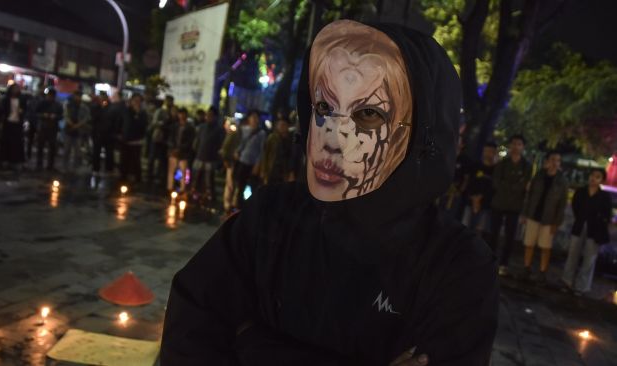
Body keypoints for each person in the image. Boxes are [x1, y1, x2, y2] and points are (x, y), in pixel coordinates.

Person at [161, 20, 498, 365]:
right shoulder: (269, 215)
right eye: (323, 108)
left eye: (368, 114)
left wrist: (255, 344)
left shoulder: (456, 267)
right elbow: (190, 329)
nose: (332, 138)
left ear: (421, 136)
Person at [517, 151, 568, 284]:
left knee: (545, 247)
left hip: (549, 219)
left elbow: (562, 203)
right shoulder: (539, 176)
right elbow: (530, 196)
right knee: (529, 244)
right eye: (552, 159)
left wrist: (556, 223)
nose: (554, 162)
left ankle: (542, 272)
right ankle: (526, 268)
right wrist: (524, 213)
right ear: (547, 161)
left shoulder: (562, 181)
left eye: (557, 160)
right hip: (534, 215)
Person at [561, 169, 612, 295]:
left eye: (597, 177)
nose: (593, 179)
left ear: (602, 180)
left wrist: (600, 220)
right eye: (592, 176)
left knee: (589, 259)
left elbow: (607, 214)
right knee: (572, 254)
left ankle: (581, 286)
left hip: (595, 230)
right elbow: (575, 206)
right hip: (579, 225)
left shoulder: (604, 196)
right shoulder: (581, 192)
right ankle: (567, 281)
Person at [489, 134, 532, 276]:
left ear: (523, 147)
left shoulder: (526, 166)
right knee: (493, 234)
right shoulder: (502, 163)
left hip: (514, 206)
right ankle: (489, 261)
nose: (516, 146)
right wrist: (513, 187)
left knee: (510, 236)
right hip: (499, 203)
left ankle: (504, 264)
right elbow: (496, 182)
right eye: (513, 143)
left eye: (519, 144)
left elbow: (525, 186)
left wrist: (511, 187)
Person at [462, 142, 498, 236]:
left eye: (490, 151)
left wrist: (480, 198)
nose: (487, 153)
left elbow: (493, 187)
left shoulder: (496, 169)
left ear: (494, 152)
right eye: (486, 151)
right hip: (470, 202)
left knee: (479, 232)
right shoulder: (475, 165)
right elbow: (469, 183)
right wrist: (474, 198)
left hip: (486, 205)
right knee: (464, 228)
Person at [233, 110, 267, 208]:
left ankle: (250, 207)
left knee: (253, 186)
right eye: (252, 117)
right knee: (240, 185)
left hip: (253, 164)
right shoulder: (245, 129)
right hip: (243, 161)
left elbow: (261, 151)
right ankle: (239, 207)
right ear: (249, 119)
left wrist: (257, 164)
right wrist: (237, 151)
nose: (254, 120)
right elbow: (241, 143)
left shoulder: (262, 133)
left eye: (256, 118)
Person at [192, 106, 223, 202]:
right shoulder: (202, 127)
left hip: (211, 158)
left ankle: (209, 197)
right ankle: (196, 195)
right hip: (200, 156)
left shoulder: (219, 129)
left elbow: (220, 145)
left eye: (211, 115)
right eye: (207, 115)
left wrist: (218, 159)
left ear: (215, 117)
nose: (208, 117)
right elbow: (197, 140)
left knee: (209, 180)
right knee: (196, 178)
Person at [119, 94, 147, 183]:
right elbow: (122, 123)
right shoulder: (126, 111)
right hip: (126, 140)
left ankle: (137, 180)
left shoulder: (142, 113)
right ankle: (123, 179)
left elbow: (143, 126)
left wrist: (138, 114)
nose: (136, 103)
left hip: (137, 141)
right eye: (135, 100)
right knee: (124, 161)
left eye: (139, 101)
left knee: (136, 161)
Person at [167, 107, 196, 192]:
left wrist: (180, 149)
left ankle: (183, 190)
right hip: (174, 152)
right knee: (171, 171)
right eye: (180, 114)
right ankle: (170, 188)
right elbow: (171, 138)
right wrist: (172, 148)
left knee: (183, 172)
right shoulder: (175, 126)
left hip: (184, 154)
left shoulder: (190, 128)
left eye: (183, 114)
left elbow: (190, 141)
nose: (182, 116)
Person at [0, 84, 27, 170]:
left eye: (17, 89)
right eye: (14, 89)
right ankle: (5, 160)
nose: (16, 90)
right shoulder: (6, 99)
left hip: (17, 123)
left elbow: (25, 109)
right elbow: (2, 110)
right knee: (6, 142)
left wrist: (22, 112)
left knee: (17, 143)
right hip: (8, 123)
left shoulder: (21, 99)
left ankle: (16, 161)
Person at [149, 95, 175, 184]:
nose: (169, 103)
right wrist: (163, 123)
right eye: (168, 101)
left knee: (162, 159)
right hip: (158, 136)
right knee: (152, 157)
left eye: (170, 101)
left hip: (166, 139)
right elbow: (154, 122)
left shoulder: (171, 112)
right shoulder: (160, 111)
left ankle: (159, 176)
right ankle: (150, 175)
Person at [35, 88, 63, 171]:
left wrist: (55, 117)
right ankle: (39, 164)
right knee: (40, 146)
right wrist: (43, 115)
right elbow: (36, 112)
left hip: (53, 128)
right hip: (43, 127)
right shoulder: (42, 103)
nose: (50, 97)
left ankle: (50, 165)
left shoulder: (57, 105)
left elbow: (61, 115)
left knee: (52, 147)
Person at [62, 91, 90, 172]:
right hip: (69, 130)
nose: (77, 98)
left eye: (79, 96)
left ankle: (75, 167)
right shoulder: (69, 105)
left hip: (78, 131)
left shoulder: (84, 107)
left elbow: (86, 118)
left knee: (77, 151)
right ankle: (65, 167)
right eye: (76, 96)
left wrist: (78, 125)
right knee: (66, 150)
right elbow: (65, 115)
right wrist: (70, 123)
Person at [260, 116, 292, 185]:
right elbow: (265, 154)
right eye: (280, 125)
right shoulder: (272, 138)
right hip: (272, 170)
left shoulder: (290, 140)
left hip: (283, 173)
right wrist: (263, 171)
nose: (282, 127)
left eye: (284, 125)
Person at [90, 92, 116, 176]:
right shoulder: (96, 107)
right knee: (96, 152)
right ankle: (95, 168)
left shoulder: (112, 108)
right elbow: (93, 119)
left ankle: (109, 169)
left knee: (109, 153)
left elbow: (114, 120)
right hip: (98, 133)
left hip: (109, 134)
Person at [219, 118, 242, 213]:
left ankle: (229, 204)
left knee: (231, 184)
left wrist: (225, 158)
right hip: (232, 162)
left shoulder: (234, 134)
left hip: (234, 162)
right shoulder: (234, 134)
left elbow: (225, 148)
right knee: (230, 184)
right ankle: (229, 204)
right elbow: (225, 148)